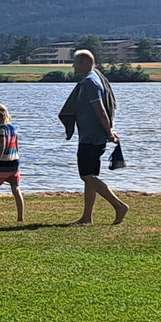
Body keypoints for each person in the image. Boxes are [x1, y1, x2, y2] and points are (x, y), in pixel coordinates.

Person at [59, 49, 127, 225]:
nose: (73, 65)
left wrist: (109, 131)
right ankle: (87, 217)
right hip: (91, 136)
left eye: (76, 62)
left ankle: (119, 206)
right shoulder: (93, 79)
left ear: (85, 63)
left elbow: (100, 109)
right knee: (90, 177)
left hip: (92, 137)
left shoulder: (90, 82)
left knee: (87, 176)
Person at [0, 103, 23, 222]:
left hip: (2, 163)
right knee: (15, 188)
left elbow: (2, 145)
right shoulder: (13, 128)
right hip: (14, 162)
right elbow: (16, 146)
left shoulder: (0, 129)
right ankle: (20, 217)